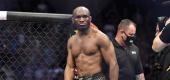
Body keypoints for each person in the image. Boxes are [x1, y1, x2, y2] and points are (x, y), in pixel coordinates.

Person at [64, 6, 119, 80]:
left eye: (85, 17)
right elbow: (70, 67)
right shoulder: (71, 41)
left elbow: (113, 63)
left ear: (90, 19)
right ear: (73, 19)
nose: (81, 20)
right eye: (78, 17)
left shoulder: (100, 38)